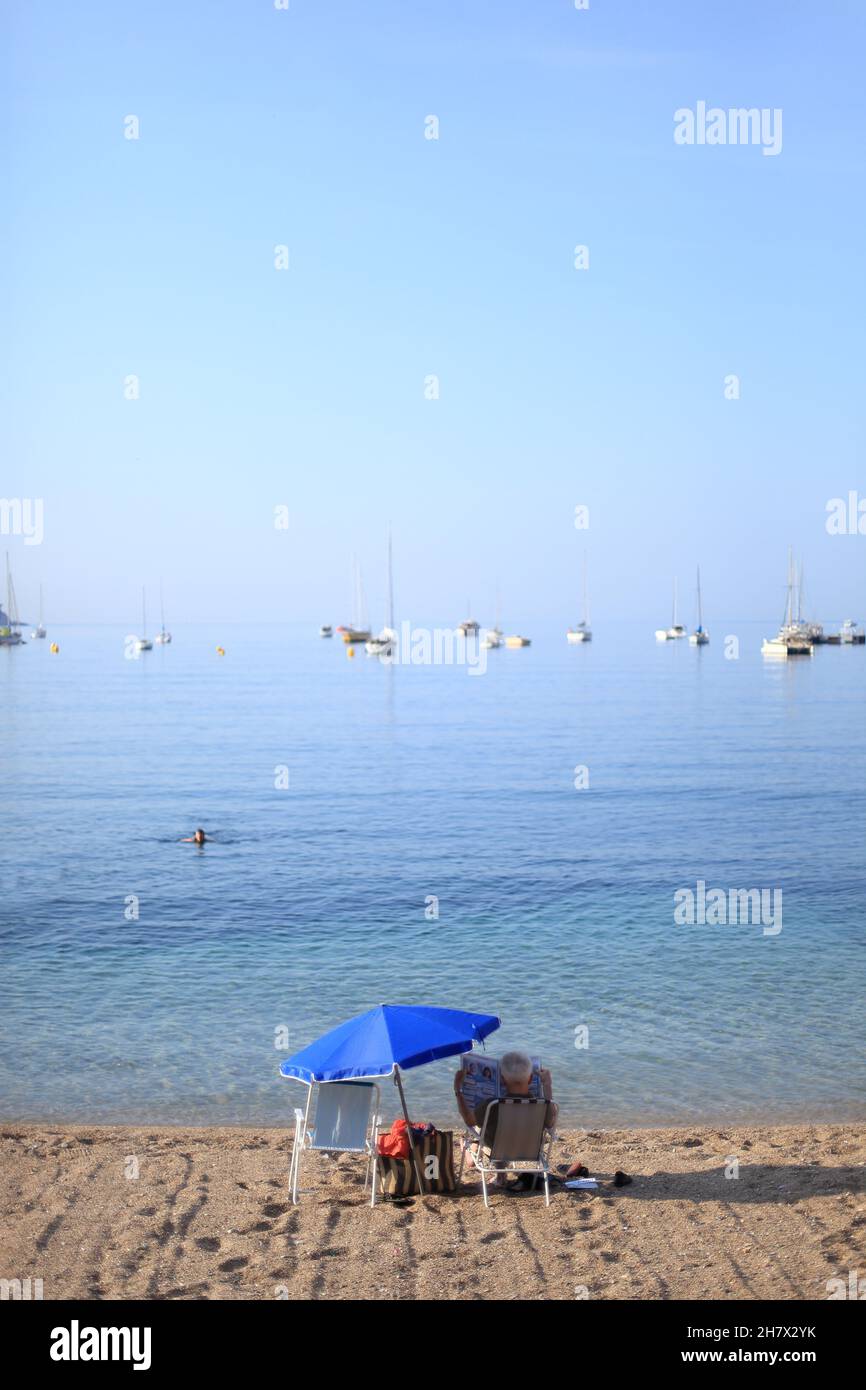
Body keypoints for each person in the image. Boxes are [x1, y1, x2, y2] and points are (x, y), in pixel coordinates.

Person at [454, 1050, 557, 1146]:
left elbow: (469, 1120)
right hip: (529, 1147)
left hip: (497, 1147)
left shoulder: (492, 1106)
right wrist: (547, 1085)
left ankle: (472, 1147)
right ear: (530, 1079)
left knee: (480, 1123)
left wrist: (458, 1089)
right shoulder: (542, 1106)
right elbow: (551, 1122)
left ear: (502, 1080)